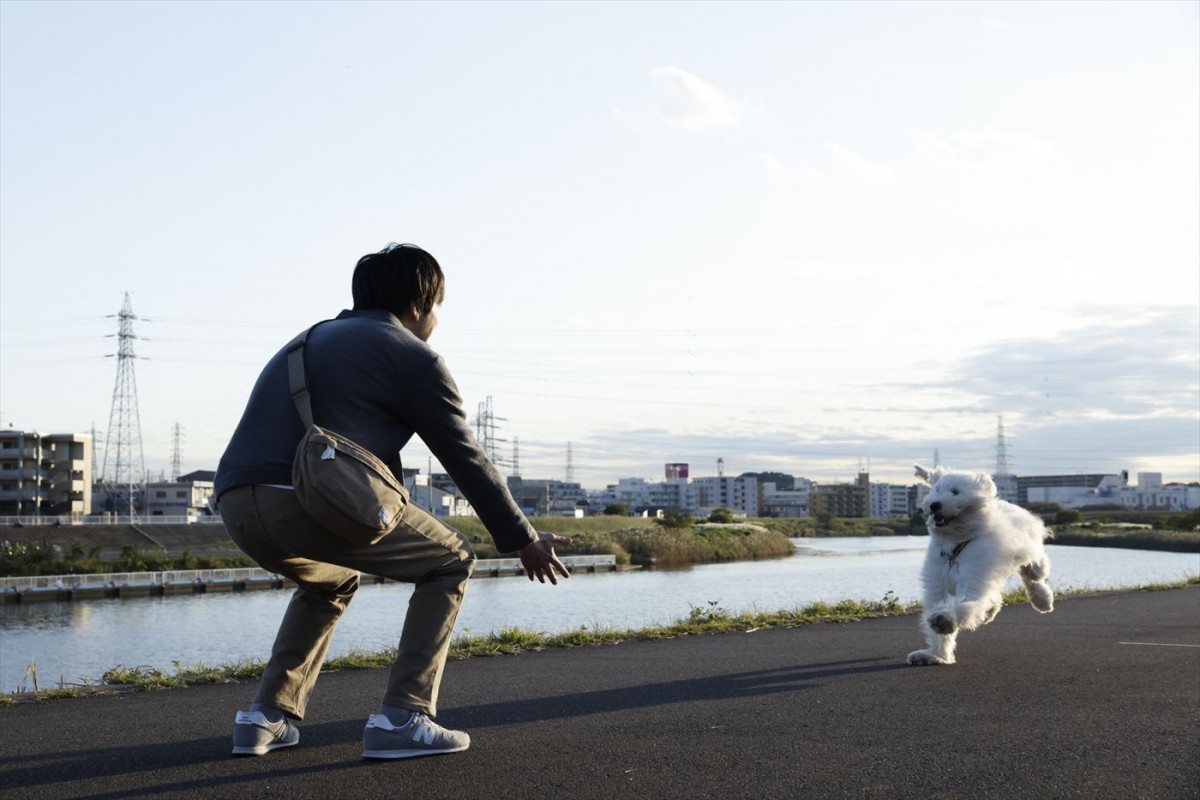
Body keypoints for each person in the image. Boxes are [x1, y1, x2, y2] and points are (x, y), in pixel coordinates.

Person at [214, 243, 571, 760]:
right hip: (304, 500)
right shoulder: (412, 355)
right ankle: (404, 716)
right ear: (418, 306)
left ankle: (266, 717)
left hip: (238, 505)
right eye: (437, 307)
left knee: (331, 581)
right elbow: (464, 456)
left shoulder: (304, 341)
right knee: (451, 559)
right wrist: (521, 538)